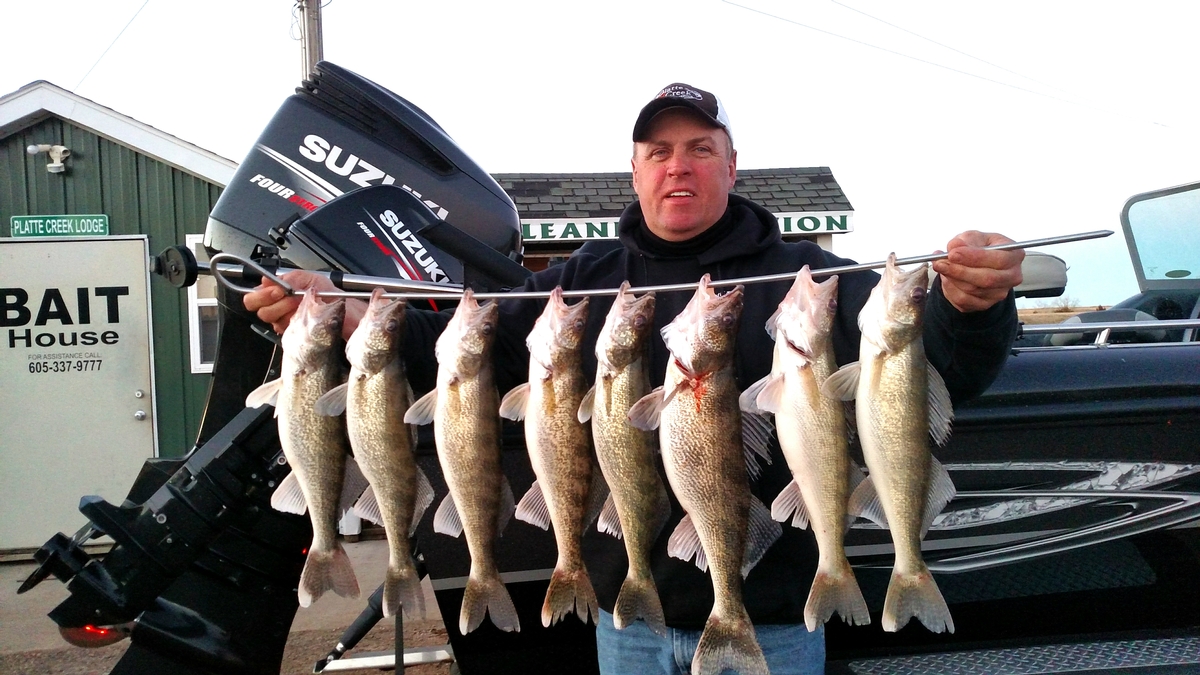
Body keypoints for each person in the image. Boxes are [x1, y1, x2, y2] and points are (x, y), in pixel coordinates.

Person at [245, 82, 1024, 674]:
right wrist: (343, 318)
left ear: (731, 164)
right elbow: (453, 352)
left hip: (780, 615)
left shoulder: (810, 279)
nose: (677, 165)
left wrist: (973, 305)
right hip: (628, 613)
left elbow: (942, 369)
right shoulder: (586, 281)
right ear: (635, 170)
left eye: (698, 148)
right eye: (658, 152)